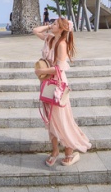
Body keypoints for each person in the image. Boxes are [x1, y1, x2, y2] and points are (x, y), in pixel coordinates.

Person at [32, 18, 90, 167]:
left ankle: (69, 152)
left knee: (62, 119)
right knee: (50, 119)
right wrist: (49, 27)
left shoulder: (62, 45)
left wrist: (41, 71)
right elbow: (35, 31)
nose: (53, 25)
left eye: (56, 24)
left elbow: (59, 68)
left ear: (63, 28)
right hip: (46, 82)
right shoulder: (50, 39)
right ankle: (55, 151)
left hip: (57, 83)